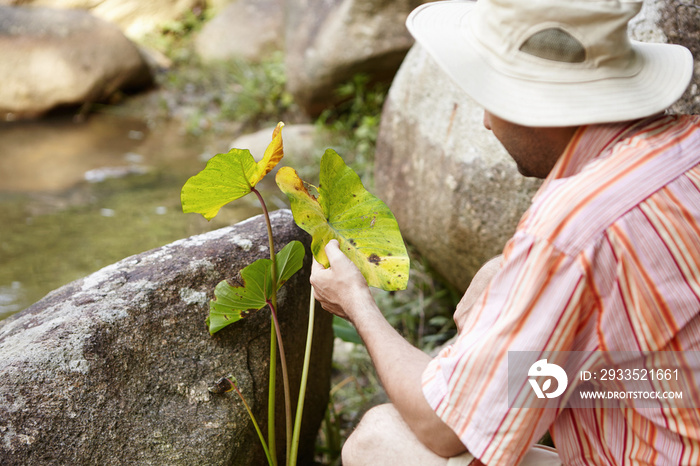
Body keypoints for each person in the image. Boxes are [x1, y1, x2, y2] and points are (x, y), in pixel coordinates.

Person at [310, 0, 700, 464]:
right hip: (673, 395)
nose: (486, 120)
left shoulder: (570, 228)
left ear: (537, 106)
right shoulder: (689, 142)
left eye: (492, 99)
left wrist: (356, 302)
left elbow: (444, 428)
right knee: (554, 378)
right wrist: (503, 265)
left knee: (377, 440)